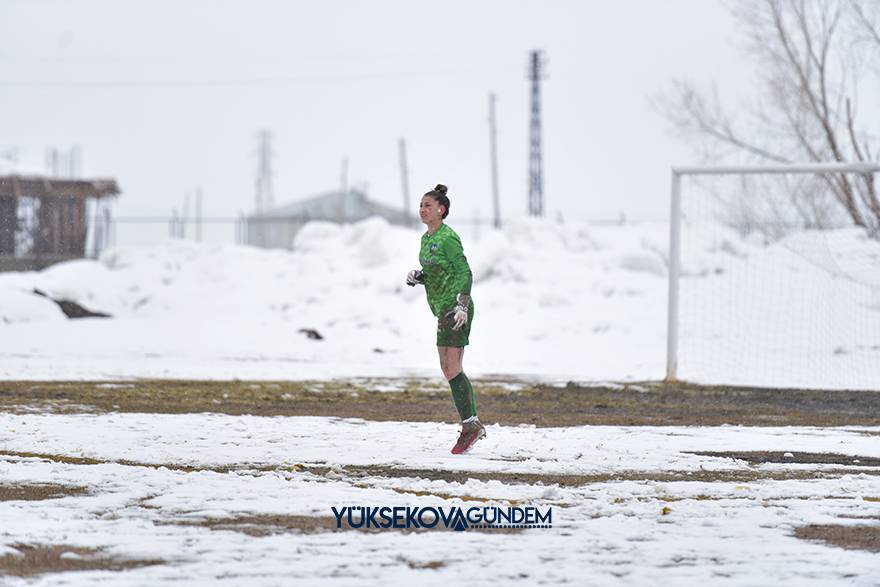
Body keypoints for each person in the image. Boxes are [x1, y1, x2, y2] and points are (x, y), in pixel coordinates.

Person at [406, 183, 486, 454]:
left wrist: (462, 304)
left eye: (427, 205)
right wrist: (420, 276)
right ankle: (471, 424)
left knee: (451, 367)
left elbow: (464, 272)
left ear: (441, 210)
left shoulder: (448, 237)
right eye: (420, 205)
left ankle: (471, 426)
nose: (422, 210)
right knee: (448, 367)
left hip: (455, 307)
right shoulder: (427, 238)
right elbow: (439, 271)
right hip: (442, 308)